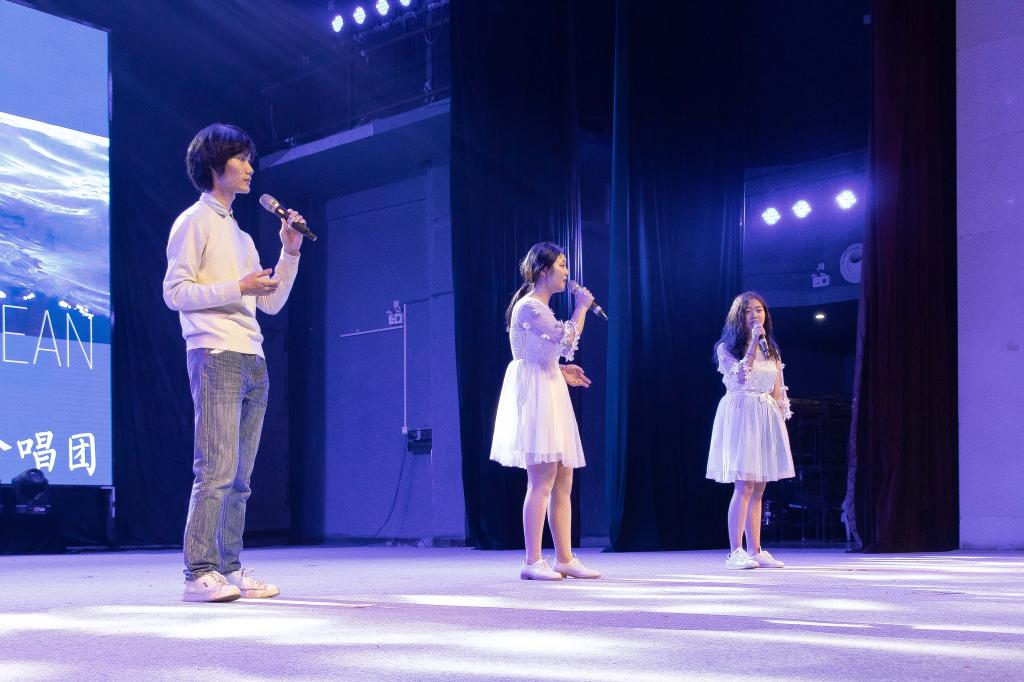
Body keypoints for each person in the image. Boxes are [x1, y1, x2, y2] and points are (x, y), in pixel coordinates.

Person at [163, 123, 305, 602]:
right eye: (240, 158)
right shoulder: (193, 222)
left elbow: (271, 303)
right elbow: (174, 292)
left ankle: (229, 566)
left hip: (252, 359)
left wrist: (289, 252)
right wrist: (236, 287)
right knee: (216, 469)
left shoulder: (242, 237)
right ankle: (197, 572)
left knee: (241, 478)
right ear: (214, 165)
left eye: (249, 159)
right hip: (215, 352)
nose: (249, 167)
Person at [490, 242, 601, 581]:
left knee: (564, 477)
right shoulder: (530, 307)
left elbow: (546, 353)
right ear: (543, 271)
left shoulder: (541, 308)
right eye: (562, 265)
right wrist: (581, 308)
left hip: (550, 387)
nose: (567, 273)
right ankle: (532, 560)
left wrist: (562, 371)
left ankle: (564, 558)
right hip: (536, 393)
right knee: (542, 479)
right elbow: (566, 341)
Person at [706, 292, 794, 569]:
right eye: (748, 311)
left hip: (764, 414)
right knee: (744, 484)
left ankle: (756, 550)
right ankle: (735, 551)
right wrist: (754, 343)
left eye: (759, 310)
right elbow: (741, 377)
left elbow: (778, 388)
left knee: (759, 486)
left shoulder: (772, 350)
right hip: (741, 413)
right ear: (738, 316)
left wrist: (779, 420)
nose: (755, 315)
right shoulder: (726, 349)